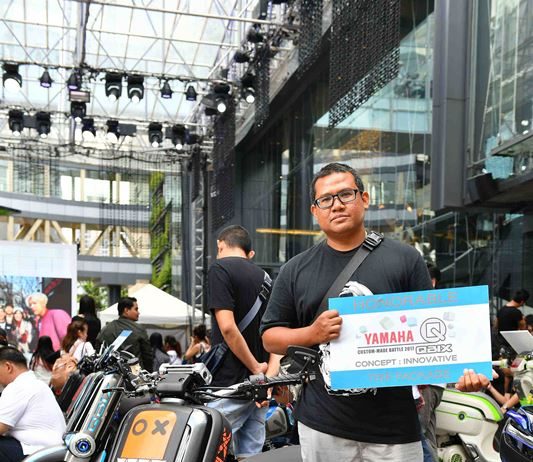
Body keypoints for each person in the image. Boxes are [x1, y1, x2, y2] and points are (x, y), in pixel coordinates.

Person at [260, 163, 433, 462]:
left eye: (345, 195)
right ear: (315, 211)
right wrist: (312, 333)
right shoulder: (294, 270)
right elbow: (270, 337)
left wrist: (464, 373)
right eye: (325, 199)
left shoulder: (405, 259)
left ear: (364, 199)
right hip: (323, 425)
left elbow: (434, 329)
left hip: (395, 427)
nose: (336, 205)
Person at [206, 225, 280, 459]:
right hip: (259, 389)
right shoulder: (267, 278)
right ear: (249, 252)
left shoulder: (219, 269)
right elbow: (277, 335)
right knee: (250, 455)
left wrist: (255, 368)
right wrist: (266, 380)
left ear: (221, 246)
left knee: (208, 450)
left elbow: (228, 327)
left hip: (229, 385)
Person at [0, 347, 65, 461]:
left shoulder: (19, 386)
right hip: (49, 450)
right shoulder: (34, 383)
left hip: (37, 452)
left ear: (8, 367)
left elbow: (1, 427)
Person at [418, 263, 446, 462]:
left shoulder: (431, 308)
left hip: (426, 383)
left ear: (432, 282)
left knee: (416, 436)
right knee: (427, 436)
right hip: (432, 382)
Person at [96, 297, 153, 371]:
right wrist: (148, 373)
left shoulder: (105, 329)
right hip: (135, 374)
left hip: (110, 374)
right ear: (126, 310)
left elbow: (99, 351)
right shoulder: (139, 329)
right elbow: (147, 356)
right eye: (136, 309)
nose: (138, 313)